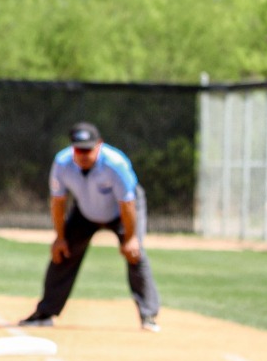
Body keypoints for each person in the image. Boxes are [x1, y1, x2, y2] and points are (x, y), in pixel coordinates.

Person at [18, 122, 162, 331]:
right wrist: (60, 237)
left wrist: (131, 239)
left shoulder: (115, 163)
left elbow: (128, 204)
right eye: (79, 149)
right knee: (63, 251)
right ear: (72, 148)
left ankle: (148, 315)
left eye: (88, 149)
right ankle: (45, 312)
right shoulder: (62, 163)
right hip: (85, 211)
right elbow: (58, 203)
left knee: (134, 254)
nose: (83, 154)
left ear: (99, 145)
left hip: (121, 211)